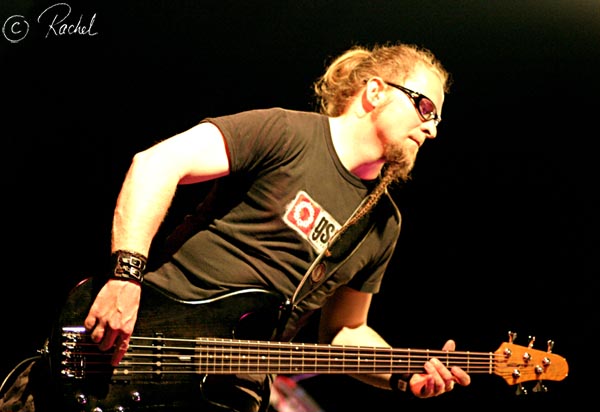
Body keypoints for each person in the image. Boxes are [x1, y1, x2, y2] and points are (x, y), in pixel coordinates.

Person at [1, 41, 470, 412]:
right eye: (425, 108)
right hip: (137, 344)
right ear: (375, 91)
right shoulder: (286, 133)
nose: (432, 129)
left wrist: (403, 373)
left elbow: (344, 331)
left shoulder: (383, 223)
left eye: (438, 119)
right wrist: (125, 278)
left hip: (230, 393)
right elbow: (157, 164)